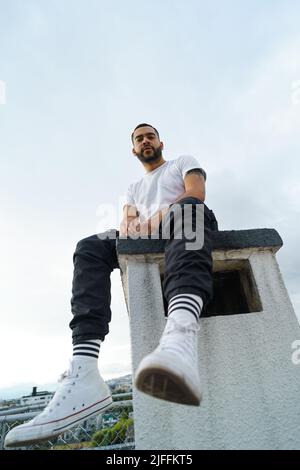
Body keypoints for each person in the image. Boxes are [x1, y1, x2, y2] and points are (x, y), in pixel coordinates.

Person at [4, 123, 218, 448]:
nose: (145, 140)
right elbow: (127, 225)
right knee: (89, 246)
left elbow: (194, 193)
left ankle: (181, 336)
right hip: (146, 236)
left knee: (188, 209)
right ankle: (85, 370)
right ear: (134, 149)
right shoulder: (133, 188)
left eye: (150, 135)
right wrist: (137, 226)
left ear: (161, 142)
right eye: (138, 138)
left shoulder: (182, 162)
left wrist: (152, 220)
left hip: (186, 222)